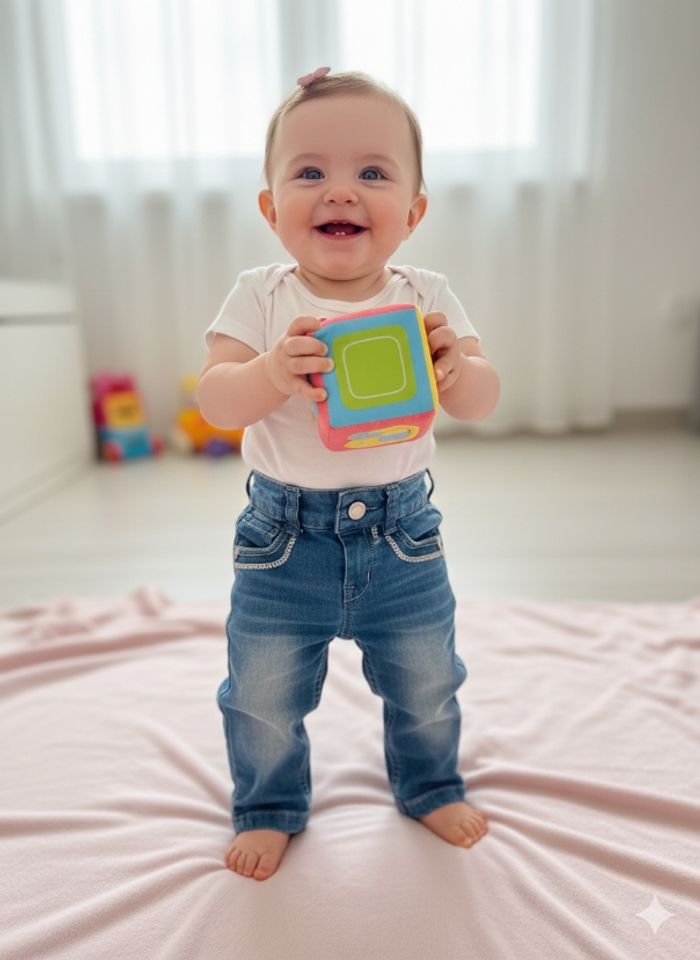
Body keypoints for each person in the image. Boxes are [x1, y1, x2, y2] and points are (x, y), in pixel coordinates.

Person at [197, 68, 500, 882]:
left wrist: (455, 368)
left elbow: (482, 397)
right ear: (271, 210)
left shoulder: (425, 295)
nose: (341, 191)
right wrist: (270, 372)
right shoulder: (260, 295)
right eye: (310, 172)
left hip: (403, 539)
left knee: (428, 679)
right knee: (261, 693)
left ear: (414, 212)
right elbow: (215, 399)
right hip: (283, 542)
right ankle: (269, 803)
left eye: (372, 172)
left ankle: (430, 783)